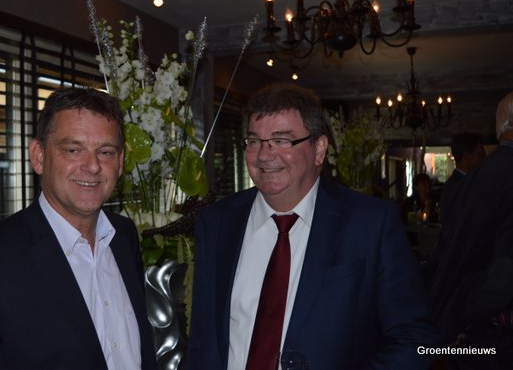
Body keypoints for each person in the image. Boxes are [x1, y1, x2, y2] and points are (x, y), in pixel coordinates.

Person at [187, 83, 438, 370]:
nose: (264, 155)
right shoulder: (217, 222)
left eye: (282, 140)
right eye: (254, 141)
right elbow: (202, 340)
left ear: (319, 149)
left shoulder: (370, 225)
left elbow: (415, 337)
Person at [0, 87, 158, 370]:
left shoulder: (123, 237)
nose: (93, 166)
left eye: (105, 152)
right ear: (38, 156)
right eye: (73, 149)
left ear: (119, 163)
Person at [425, 90, 513, 369]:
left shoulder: (476, 178)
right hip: (495, 330)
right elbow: (502, 276)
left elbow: (448, 248)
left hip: (467, 327)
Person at [439, 132, 485, 226]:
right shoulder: (459, 186)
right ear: (467, 156)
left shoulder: (460, 183)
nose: (484, 159)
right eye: (480, 155)